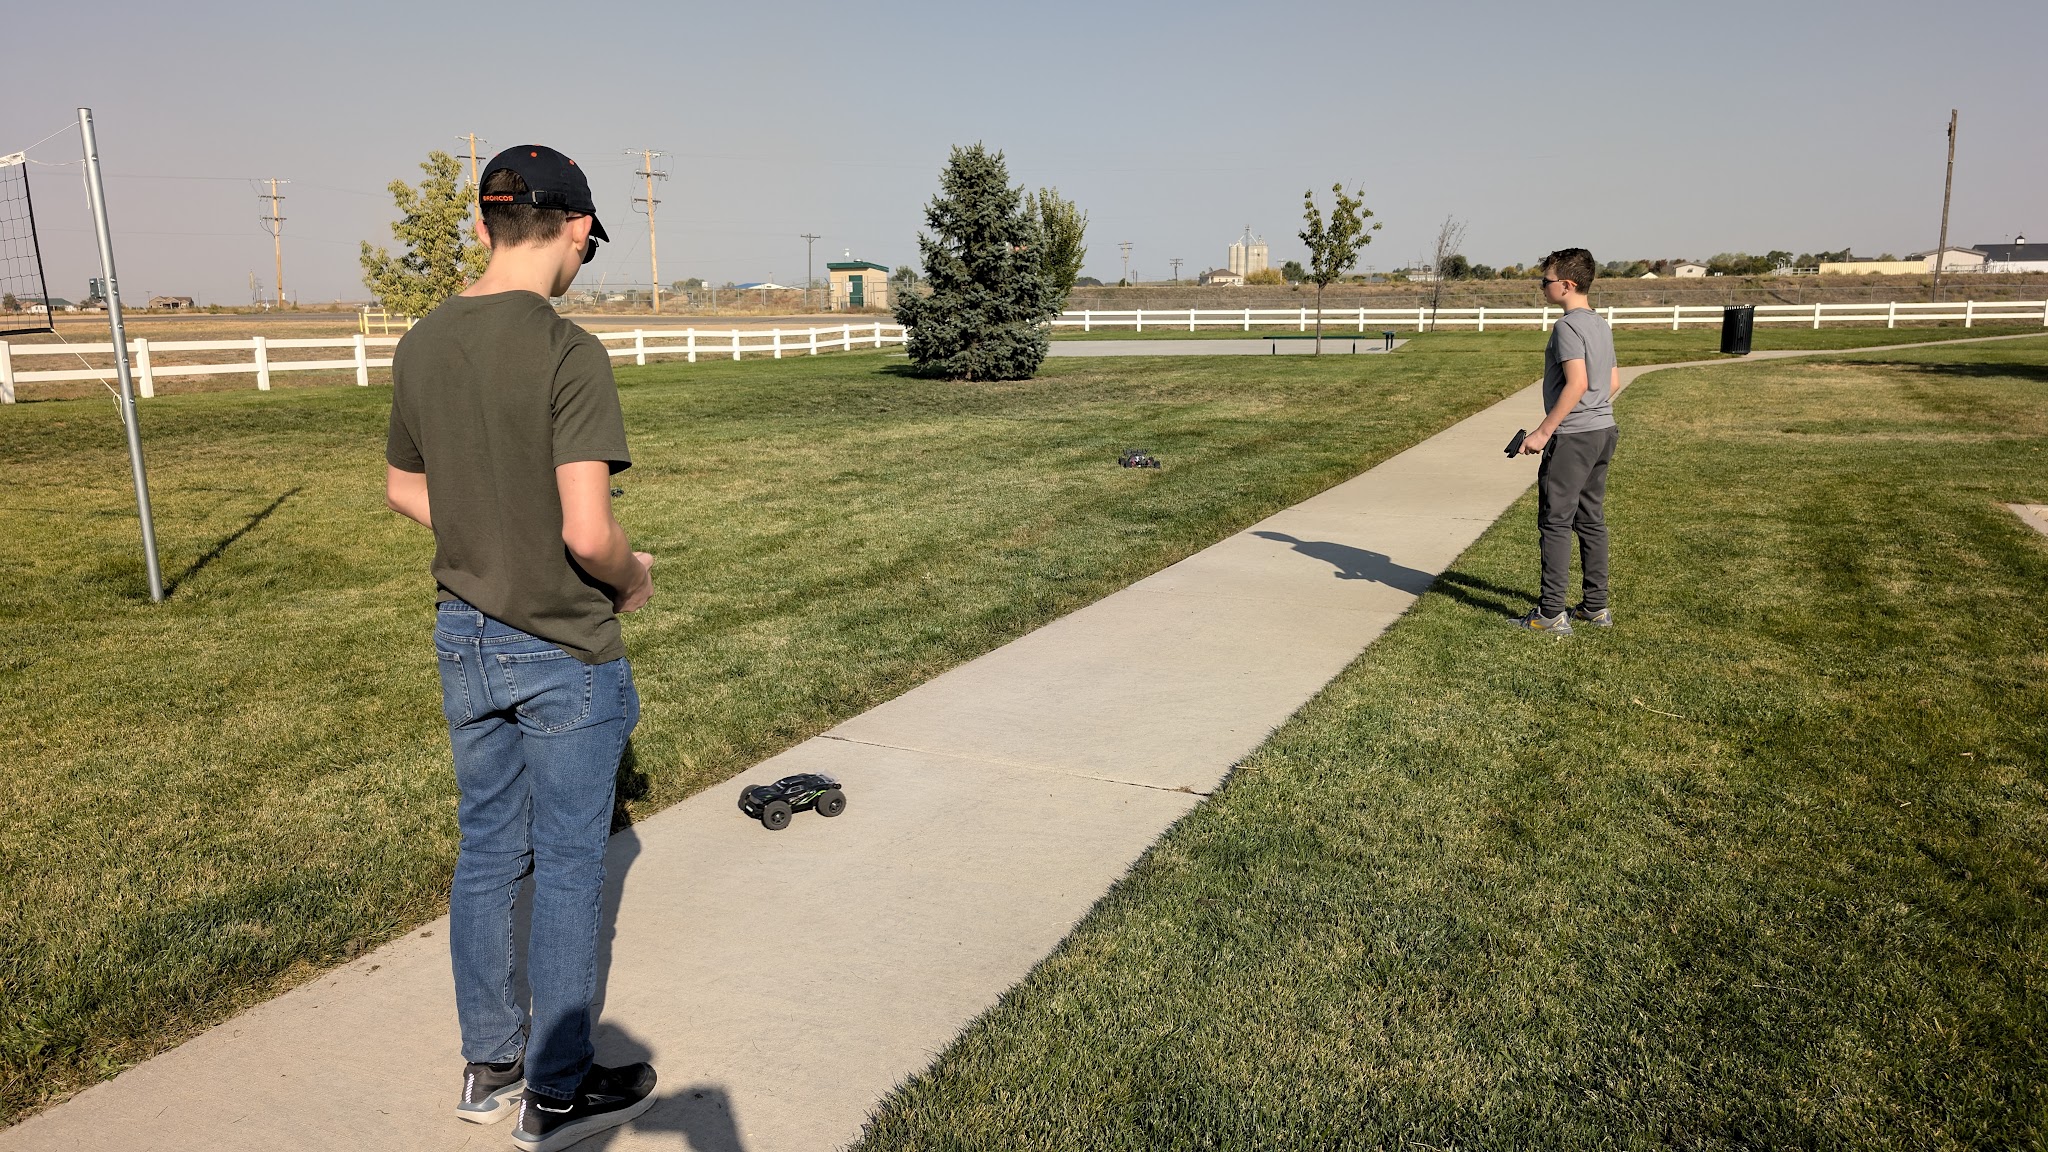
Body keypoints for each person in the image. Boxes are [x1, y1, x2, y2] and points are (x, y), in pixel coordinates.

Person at [384, 143, 658, 1151]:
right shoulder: (565, 351)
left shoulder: (422, 341)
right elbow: (588, 532)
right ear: (578, 229)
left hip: (465, 635)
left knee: (489, 849)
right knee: (573, 863)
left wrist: (482, 536)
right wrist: (633, 573)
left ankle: (488, 1061)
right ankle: (558, 1089)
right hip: (561, 645)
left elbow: (405, 488)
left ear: (485, 223)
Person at [1516, 247, 1619, 635]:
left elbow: (1577, 383)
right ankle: (1595, 607)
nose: (1542, 286)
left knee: (1556, 521)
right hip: (1603, 431)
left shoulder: (1567, 327)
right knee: (1590, 519)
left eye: (1546, 281)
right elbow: (1611, 383)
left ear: (1567, 285)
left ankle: (1551, 615)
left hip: (1574, 437)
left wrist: (1543, 433)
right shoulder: (1600, 324)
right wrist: (1591, 415)